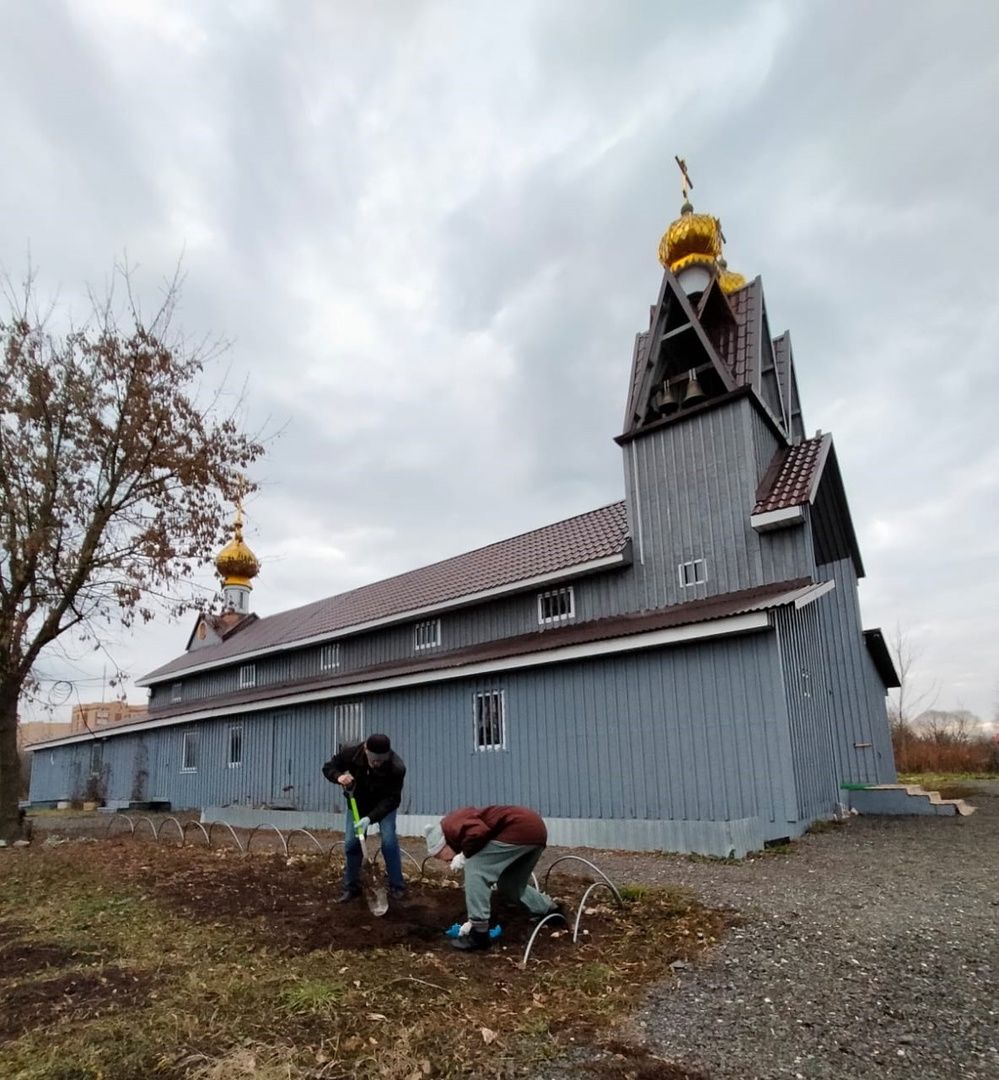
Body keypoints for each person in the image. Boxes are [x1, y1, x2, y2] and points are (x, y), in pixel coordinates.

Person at [424, 804, 563, 952]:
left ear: (442, 845)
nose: (444, 861)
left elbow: (478, 832)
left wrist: (465, 855)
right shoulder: (453, 828)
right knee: (510, 883)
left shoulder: (452, 825)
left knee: (475, 868)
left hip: (518, 829)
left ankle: (479, 933)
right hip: (535, 830)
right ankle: (550, 910)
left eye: (439, 856)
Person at [322, 733, 407, 903]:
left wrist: (370, 818)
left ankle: (397, 887)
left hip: (384, 807)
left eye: (381, 760)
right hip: (358, 804)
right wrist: (339, 777)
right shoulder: (352, 754)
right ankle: (351, 888)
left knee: (389, 842)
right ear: (366, 750)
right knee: (352, 844)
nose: (377, 764)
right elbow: (329, 767)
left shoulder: (396, 767)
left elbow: (393, 799)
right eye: (374, 759)